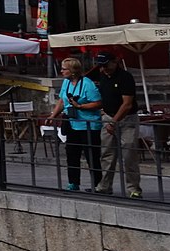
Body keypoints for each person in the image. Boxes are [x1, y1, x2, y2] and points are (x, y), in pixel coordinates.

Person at [48, 56, 104, 191]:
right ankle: (73, 182)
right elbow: (62, 101)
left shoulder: (87, 84)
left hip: (88, 124)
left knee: (92, 155)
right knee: (72, 154)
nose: (61, 71)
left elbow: (98, 103)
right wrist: (53, 115)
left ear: (72, 71)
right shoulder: (66, 83)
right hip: (72, 123)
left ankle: (98, 184)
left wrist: (81, 107)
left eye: (64, 69)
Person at [92, 52, 142, 198]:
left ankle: (133, 188)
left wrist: (114, 122)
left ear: (115, 62)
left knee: (128, 154)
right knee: (107, 153)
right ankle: (105, 186)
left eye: (106, 65)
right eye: (101, 66)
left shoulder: (125, 77)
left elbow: (127, 104)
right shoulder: (102, 76)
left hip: (127, 119)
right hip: (108, 116)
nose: (104, 68)